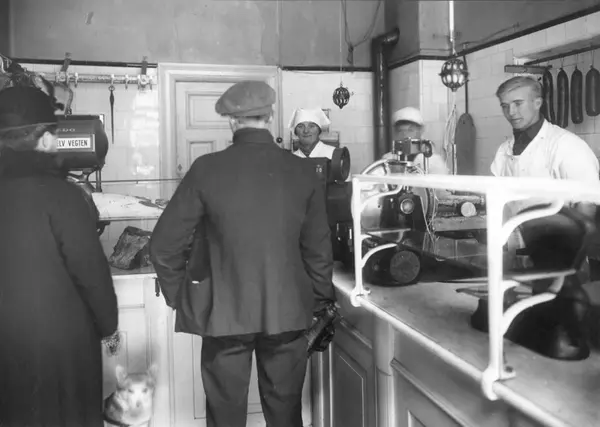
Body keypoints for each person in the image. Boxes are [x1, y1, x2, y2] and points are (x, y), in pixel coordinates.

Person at [149, 81, 336, 427]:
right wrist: (320, 301)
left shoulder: (206, 169)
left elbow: (163, 245)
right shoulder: (303, 171)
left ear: (232, 121)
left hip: (223, 314)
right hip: (287, 312)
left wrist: (182, 297)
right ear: (271, 116)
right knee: (285, 415)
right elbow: (318, 250)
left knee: (224, 417)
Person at [0, 86, 119, 427]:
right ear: (45, 139)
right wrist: (109, 328)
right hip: (60, 345)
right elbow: (91, 272)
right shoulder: (63, 195)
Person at [491, 75, 600, 272]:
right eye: (505, 106)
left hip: (561, 252)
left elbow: (588, 203)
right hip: (516, 249)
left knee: (561, 292)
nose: (511, 112)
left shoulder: (565, 144)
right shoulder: (504, 150)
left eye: (518, 103)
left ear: (537, 103)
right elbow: (500, 202)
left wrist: (571, 255)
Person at [382, 106, 449, 175]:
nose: (405, 134)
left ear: (421, 130)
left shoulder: (433, 162)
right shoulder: (388, 159)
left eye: (410, 130)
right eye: (400, 130)